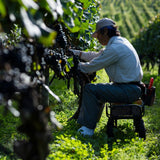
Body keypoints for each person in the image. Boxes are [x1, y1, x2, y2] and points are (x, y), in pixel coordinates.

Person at [70, 18, 143, 136]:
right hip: (130, 88)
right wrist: (76, 53)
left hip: (127, 90)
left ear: (105, 32)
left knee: (90, 89)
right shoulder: (120, 42)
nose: (97, 38)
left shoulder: (115, 48)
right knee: (99, 89)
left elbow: (91, 66)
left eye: (98, 34)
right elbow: (97, 56)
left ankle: (87, 129)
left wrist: (72, 65)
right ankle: (90, 122)